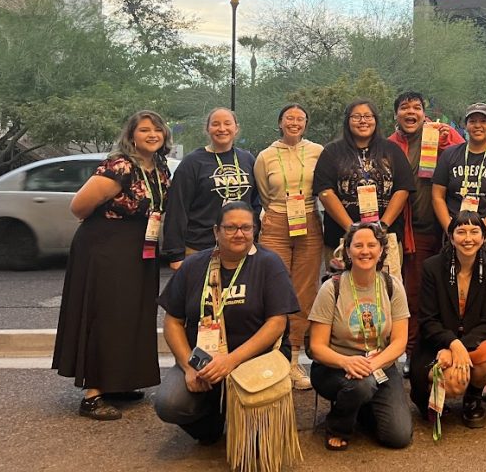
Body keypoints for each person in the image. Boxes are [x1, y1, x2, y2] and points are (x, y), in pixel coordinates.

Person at [53, 110, 173, 420]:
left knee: (131, 315)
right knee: (106, 315)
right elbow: (77, 206)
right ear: (131, 135)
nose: (152, 134)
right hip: (106, 247)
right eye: (144, 129)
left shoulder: (159, 168)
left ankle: (119, 381)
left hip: (141, 247)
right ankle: (93, 394)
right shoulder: (119, 166)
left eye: (157, 129)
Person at [155, 202, 300, 445]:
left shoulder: (269, 263)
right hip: (203, 361)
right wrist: (189, 366)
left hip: (255, 359)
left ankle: (244, 420)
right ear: (216, 231)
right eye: (231, 227)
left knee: (254, 450)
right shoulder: (193, 266)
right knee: (170, 404)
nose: (239, 234)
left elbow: (277, 323)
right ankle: (211, 424)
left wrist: (231, 361)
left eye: (246, 227)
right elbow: (173, 321)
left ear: (255, 230)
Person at [308, 221, 414, 450]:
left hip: (379, 364)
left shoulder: (392, 286)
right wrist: (347, 362)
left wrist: (373, 363)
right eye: (358, 245)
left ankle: (360, 406)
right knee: (362, 386)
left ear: (381, 250)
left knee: (399, 437)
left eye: (371, 245)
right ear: (348, 250)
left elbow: (399, 342)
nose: (365, 251)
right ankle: (338, 425)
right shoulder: (332, 288)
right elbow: (317, 347)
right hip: (334, 367)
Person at [387, 91, 465, 366]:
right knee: (415, 291)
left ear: (424, 112)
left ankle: (452, 347)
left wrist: (451, 135)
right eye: (405, 108)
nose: (411, 113)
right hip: (414, 229)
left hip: (449, 228)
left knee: (451, 289)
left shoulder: (440, 135)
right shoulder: (391, 145)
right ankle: (412, 350)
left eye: (417, 108)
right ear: (395, 114)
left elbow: (465, 156)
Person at [409, 212, 486, 429]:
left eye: (474, 232)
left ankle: (473, 398)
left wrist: (458, 347)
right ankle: (426, 399)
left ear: (483, 237)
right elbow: (427, 320)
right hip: (435, 342)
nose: (467, 238)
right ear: (451, 237)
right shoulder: (432, 268)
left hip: (470, 342)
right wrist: (451, 343)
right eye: (460, 232)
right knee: (453, 382)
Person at [253, 103, 324, 390]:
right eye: (289, 118)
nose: (294, 123)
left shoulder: (318, 152)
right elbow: (262, 192)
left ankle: (293, 361)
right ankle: (272, 358)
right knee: (274, 290)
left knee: (304, 292)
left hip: (308, 220)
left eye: (300, 119)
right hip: (277, 222)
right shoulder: (266, 156)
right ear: (280, 122)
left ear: (306, 123)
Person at [313, 98, 415, 264]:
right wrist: (352, 229)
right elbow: (325, 192)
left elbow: (402, 189)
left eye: (368, 116)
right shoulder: (332, 151)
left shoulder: (391, 150)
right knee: (342, 287)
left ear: (376, 120)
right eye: (356, 117)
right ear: (347, 121)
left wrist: (382, 226)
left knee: (385, 287)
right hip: (341, 237)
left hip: (384, 237)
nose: (363, 121)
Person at [164, 107, 258, 268]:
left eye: (227, 123)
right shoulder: (192, 163)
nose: (222, 129)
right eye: (215, 124)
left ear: (236, 128)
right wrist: (175, 254)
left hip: (240, 245)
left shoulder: (247, 159)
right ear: (207, 129)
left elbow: (256, 202)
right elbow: (177, 209)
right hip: (200, 247)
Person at [432, 102, 486, 269]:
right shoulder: (450, 154)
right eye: (472, 121)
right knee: (455, 282)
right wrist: (451, 229)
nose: (478, 125)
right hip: (457, 233)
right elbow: (437, 195)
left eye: (483, 121)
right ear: (465, 125)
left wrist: (481, 231)